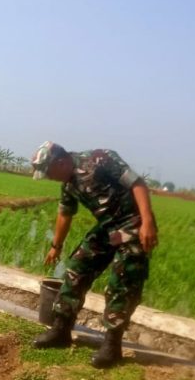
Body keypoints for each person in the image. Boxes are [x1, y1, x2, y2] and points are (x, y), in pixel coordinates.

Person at [29, 141, 159, 369]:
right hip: (107, 228)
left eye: (48, 172)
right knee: (77, 268)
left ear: (60, 162)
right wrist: (55, 247)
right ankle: (61, 330)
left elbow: (138, 184)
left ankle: (112, 345)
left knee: (122, 282)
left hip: (132, 223)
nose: (48, 177)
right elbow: (65, 214)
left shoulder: (100, 159)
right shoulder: (68, 184)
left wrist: (147, 222)